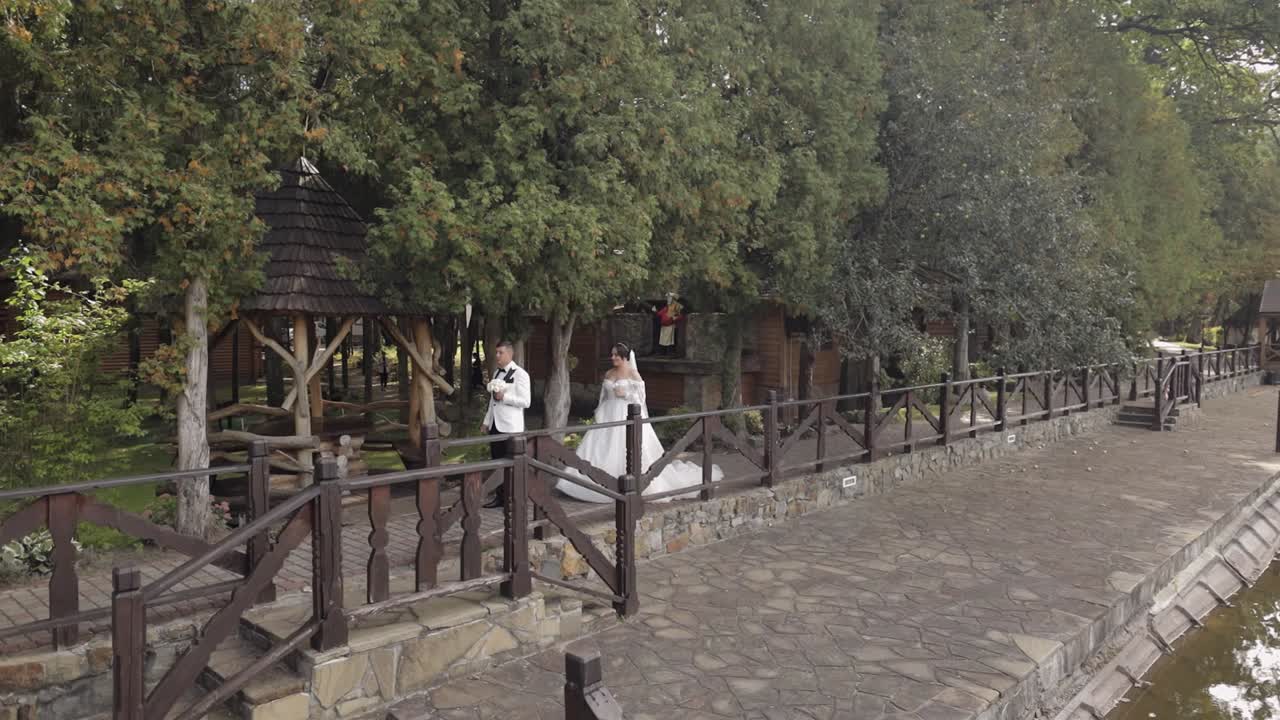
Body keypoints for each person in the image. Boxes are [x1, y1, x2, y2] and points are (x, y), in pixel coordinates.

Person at [556, 343, 722, 503]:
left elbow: (641, 399)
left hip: (626, 414)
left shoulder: (633, 375)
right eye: (612, 354)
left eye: (616, 355)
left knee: (625, 447)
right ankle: (582, 482)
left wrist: (626, 394)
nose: (612, 357)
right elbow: (604, 397)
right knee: (598, 447)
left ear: (624, 357)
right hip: (608, 414)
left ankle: (627, 485)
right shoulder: (608, 374)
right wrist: (598, 412)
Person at [481, 340, 530, 508]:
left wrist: (505, 397)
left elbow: (526, 401)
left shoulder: (520, 374)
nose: (497, 356)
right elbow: (492, 402)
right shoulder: (496, 373)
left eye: (500, 353)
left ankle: (514, 498)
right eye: (496, 353)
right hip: (496, 425)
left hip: (511, 427)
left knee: (511, 465)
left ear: (510, 353)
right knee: (497, 462)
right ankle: (500, 498)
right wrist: (487, 421)